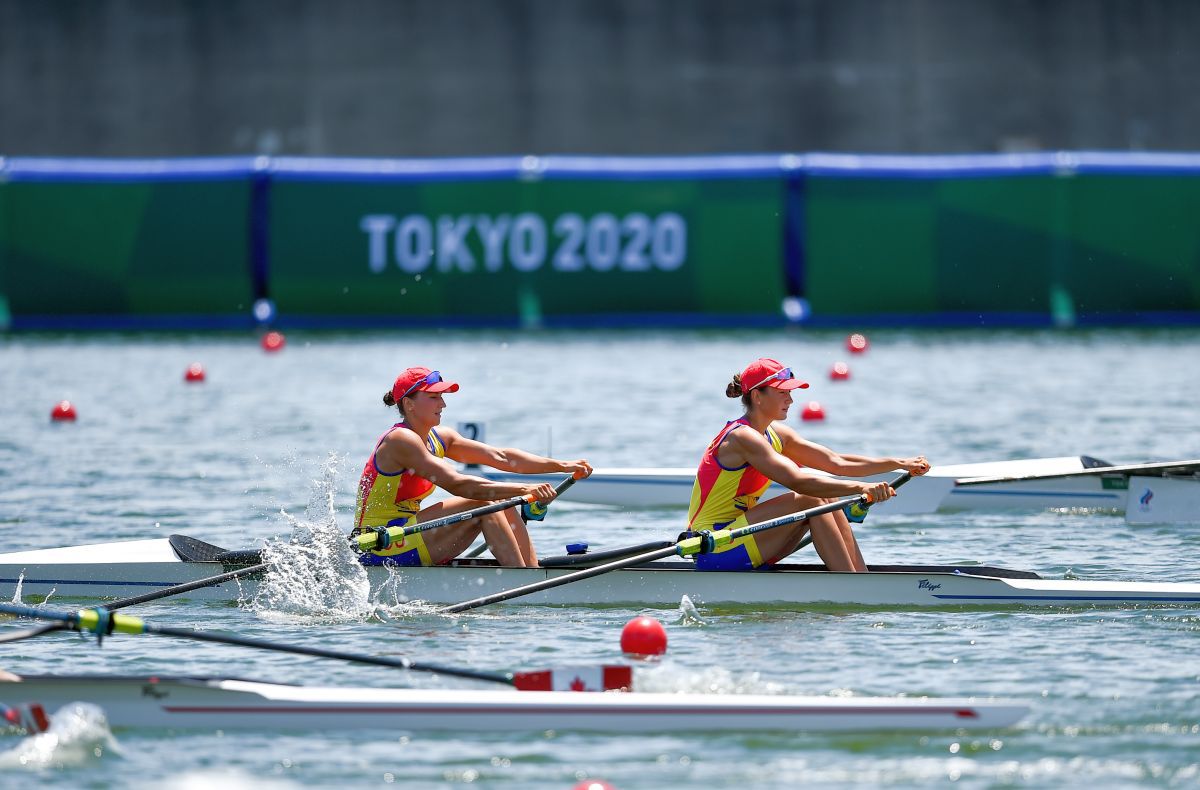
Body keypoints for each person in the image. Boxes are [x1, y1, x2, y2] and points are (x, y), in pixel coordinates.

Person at [685, 358, 930, 572]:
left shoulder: (776, 434)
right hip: (713, 546)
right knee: (810, 498)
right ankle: (852, 586)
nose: (790, 400)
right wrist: (861, 488)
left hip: (739, 541)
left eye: (790, 393)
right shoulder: (742, 437)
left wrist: (899, 463)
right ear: (757, 396)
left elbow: (836, 462)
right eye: (782, 392)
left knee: (828, 497)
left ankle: (858, 577)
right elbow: (798, 481)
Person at [353, 367, 592, 568]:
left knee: (501, 500)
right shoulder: (400, 440)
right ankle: (522, 583)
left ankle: (531, 571)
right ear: (409, 404)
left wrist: (562, 465)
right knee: (486, 502)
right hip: (378, 546)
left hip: (408, 536)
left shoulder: (441, 438)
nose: (443, 404)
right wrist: (526, 490)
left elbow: (501, 457)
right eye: (434, 397)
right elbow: (458, 484)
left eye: (442, 397)